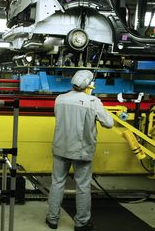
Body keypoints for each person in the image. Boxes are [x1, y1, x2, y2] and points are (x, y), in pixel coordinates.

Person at [46, 70, 114, 231]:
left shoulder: (60, 99)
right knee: (83, 187)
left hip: (60, 148)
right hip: (82, 151)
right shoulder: (93, 101)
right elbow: (109, 123)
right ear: (89, 84)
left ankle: (52, 219)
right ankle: (81, 223)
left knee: (57, 183)